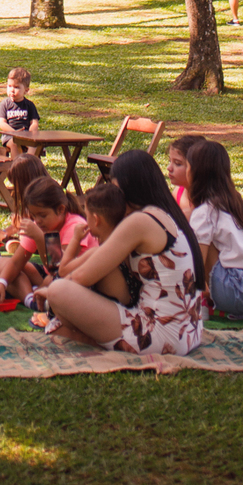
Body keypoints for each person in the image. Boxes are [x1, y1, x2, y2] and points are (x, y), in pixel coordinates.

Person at [38, 150, 206, 354]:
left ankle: (85, 338)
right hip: (189, 332)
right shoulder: (167, 215)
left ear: (130, 188)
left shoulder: (140, 221)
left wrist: (51, 295)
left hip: (157, 334)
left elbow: (82, 276)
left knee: (59, 291)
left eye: (116, 190)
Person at [187, 140, 243, 319]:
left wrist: (193, 290)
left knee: (200, 246)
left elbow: (197, 263)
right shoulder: (235, 202)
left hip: (234, 290)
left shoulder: (205, 212)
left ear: (196, 172)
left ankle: (202, 303)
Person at [0, 175, 85, 303]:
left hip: (70, 279)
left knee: (50, 281)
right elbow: (17, 262)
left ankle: (34, 294)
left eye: (43, 215)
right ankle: (31, 297)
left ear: (61, 209)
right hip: (48, 274)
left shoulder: (74, 226)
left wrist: (40, 237)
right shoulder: (39, 224)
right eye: (34, 215)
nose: (37, 221)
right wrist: (1, 284)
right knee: (1, 265)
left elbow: (58, 269)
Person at [59, 180, 129, 300]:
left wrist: (76, 239)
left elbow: (63, 271)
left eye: (87, 216)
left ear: (96, 220)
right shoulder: (126, 246)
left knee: (57, 289)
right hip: (127, 306)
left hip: (111, 311)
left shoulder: (98, 252)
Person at [164, 135, 206, 216]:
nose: (169, 168)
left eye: (178, 164)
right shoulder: (178, 192)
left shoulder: (209, 201)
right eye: (170, 161)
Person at [0, 67, 39, 139]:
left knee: (35, 146)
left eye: (16, 87)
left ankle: (31, 150)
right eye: (9, 86)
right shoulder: (4, 104)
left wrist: (30, 134)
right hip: (9, 135)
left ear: (26, 90)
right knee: (14, 144)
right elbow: (2, 123)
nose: (12, 90)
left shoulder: (29, 105)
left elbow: (34, 123)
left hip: (26, 135)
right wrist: (14, 133)